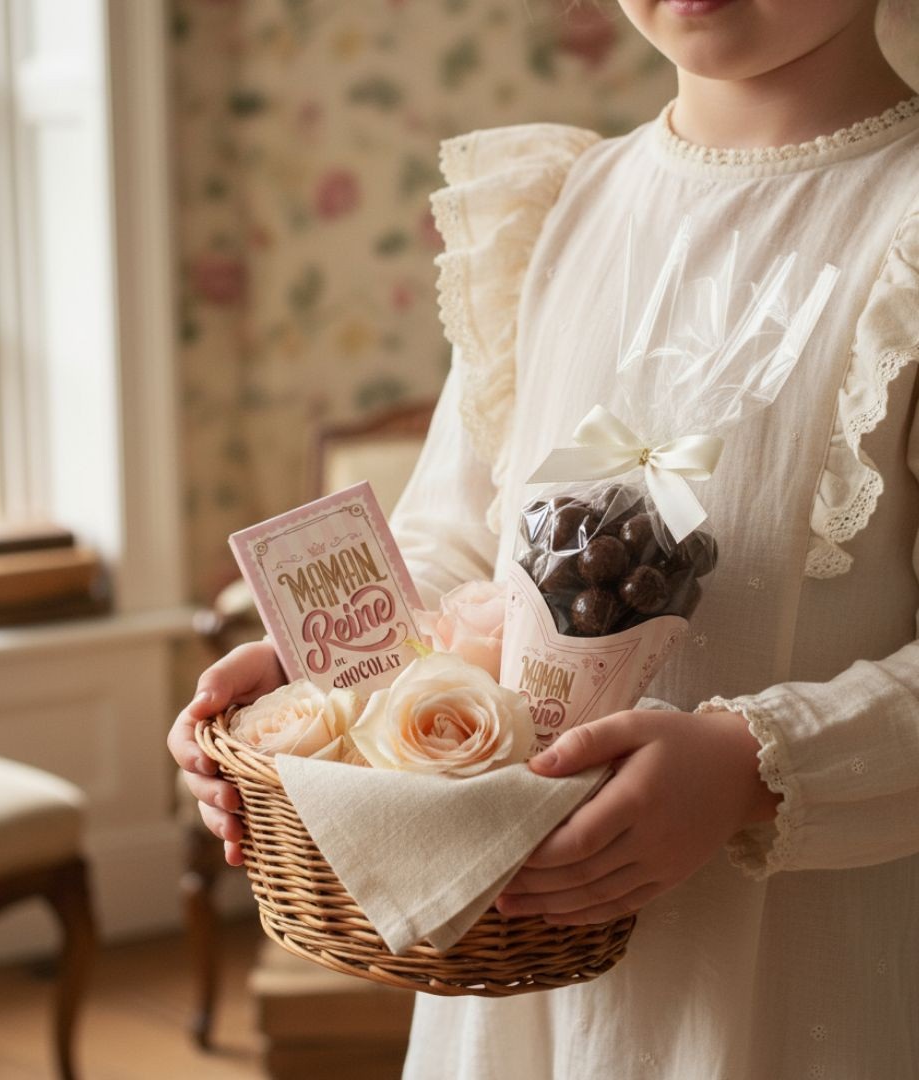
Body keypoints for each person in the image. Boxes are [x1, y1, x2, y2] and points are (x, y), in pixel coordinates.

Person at [168, 1, 919, 1075]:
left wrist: (756, 767)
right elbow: (455, 547)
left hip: (807, 974)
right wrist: (321, 666)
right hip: (525, 985)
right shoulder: (559, 211)